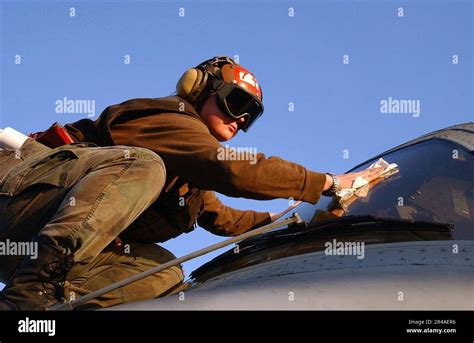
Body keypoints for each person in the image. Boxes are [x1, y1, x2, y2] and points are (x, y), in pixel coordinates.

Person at [0, 56, 384, 310]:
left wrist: (299, 221)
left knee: (166, 273)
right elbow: (233, 169)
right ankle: (28, 295)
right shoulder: (168, 121)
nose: (240, 120)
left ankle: (50, 306)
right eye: (235, 103)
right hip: (19, 200)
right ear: (198, 87)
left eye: (249, 116)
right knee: (144, 165)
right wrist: (328, 182)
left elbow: (223, 218)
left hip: (29, 245)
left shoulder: (190, 171)